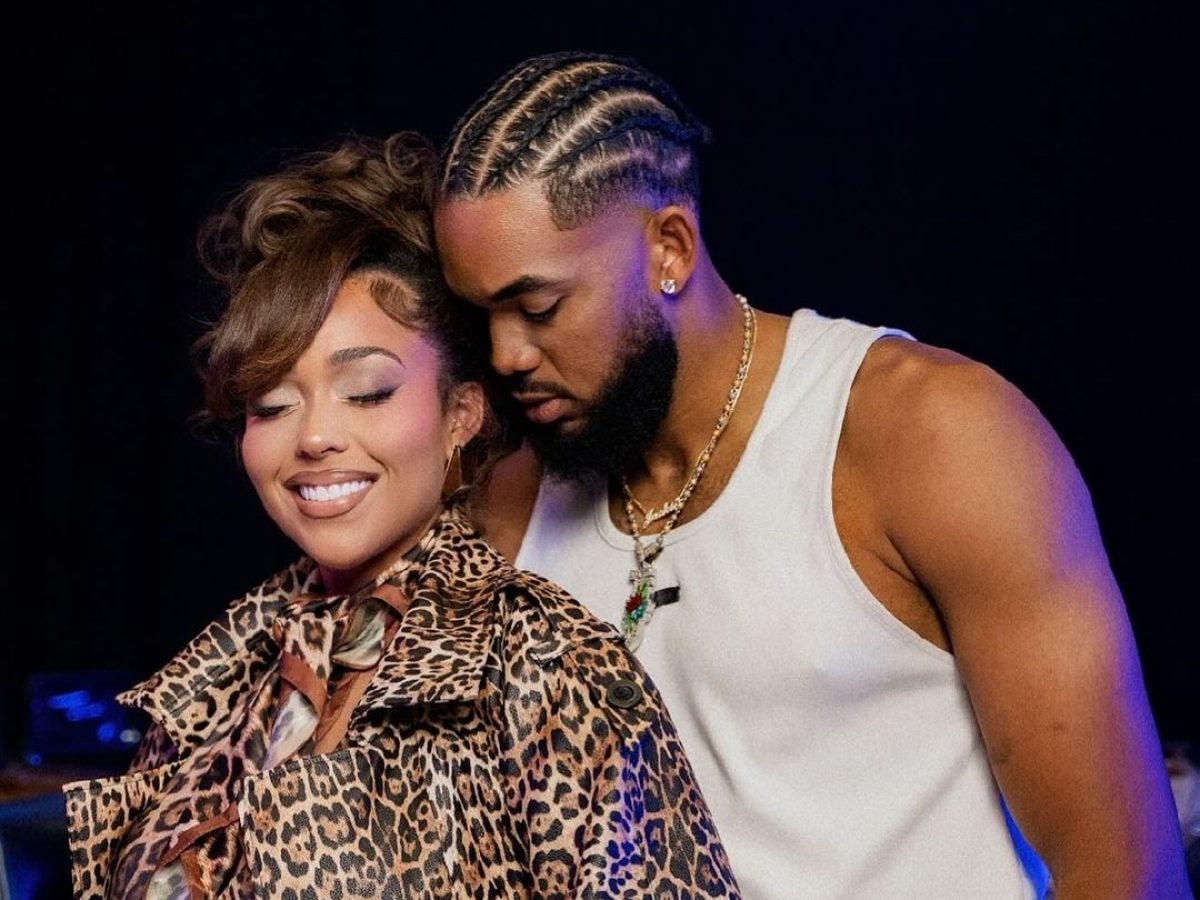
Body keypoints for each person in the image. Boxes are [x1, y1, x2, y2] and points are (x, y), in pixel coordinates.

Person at [431, 50, 1192, 898]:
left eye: (537, 307)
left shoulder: (925, 434)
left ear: (669, 248)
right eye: (480, 315)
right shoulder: (514, 497)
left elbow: (1127, 871)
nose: (506, 354)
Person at [60, 131, 741, 898]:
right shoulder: (224, 669)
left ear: (462, 414)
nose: (314, 436)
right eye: (271, 404)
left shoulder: (549, 670)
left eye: (368, 392)